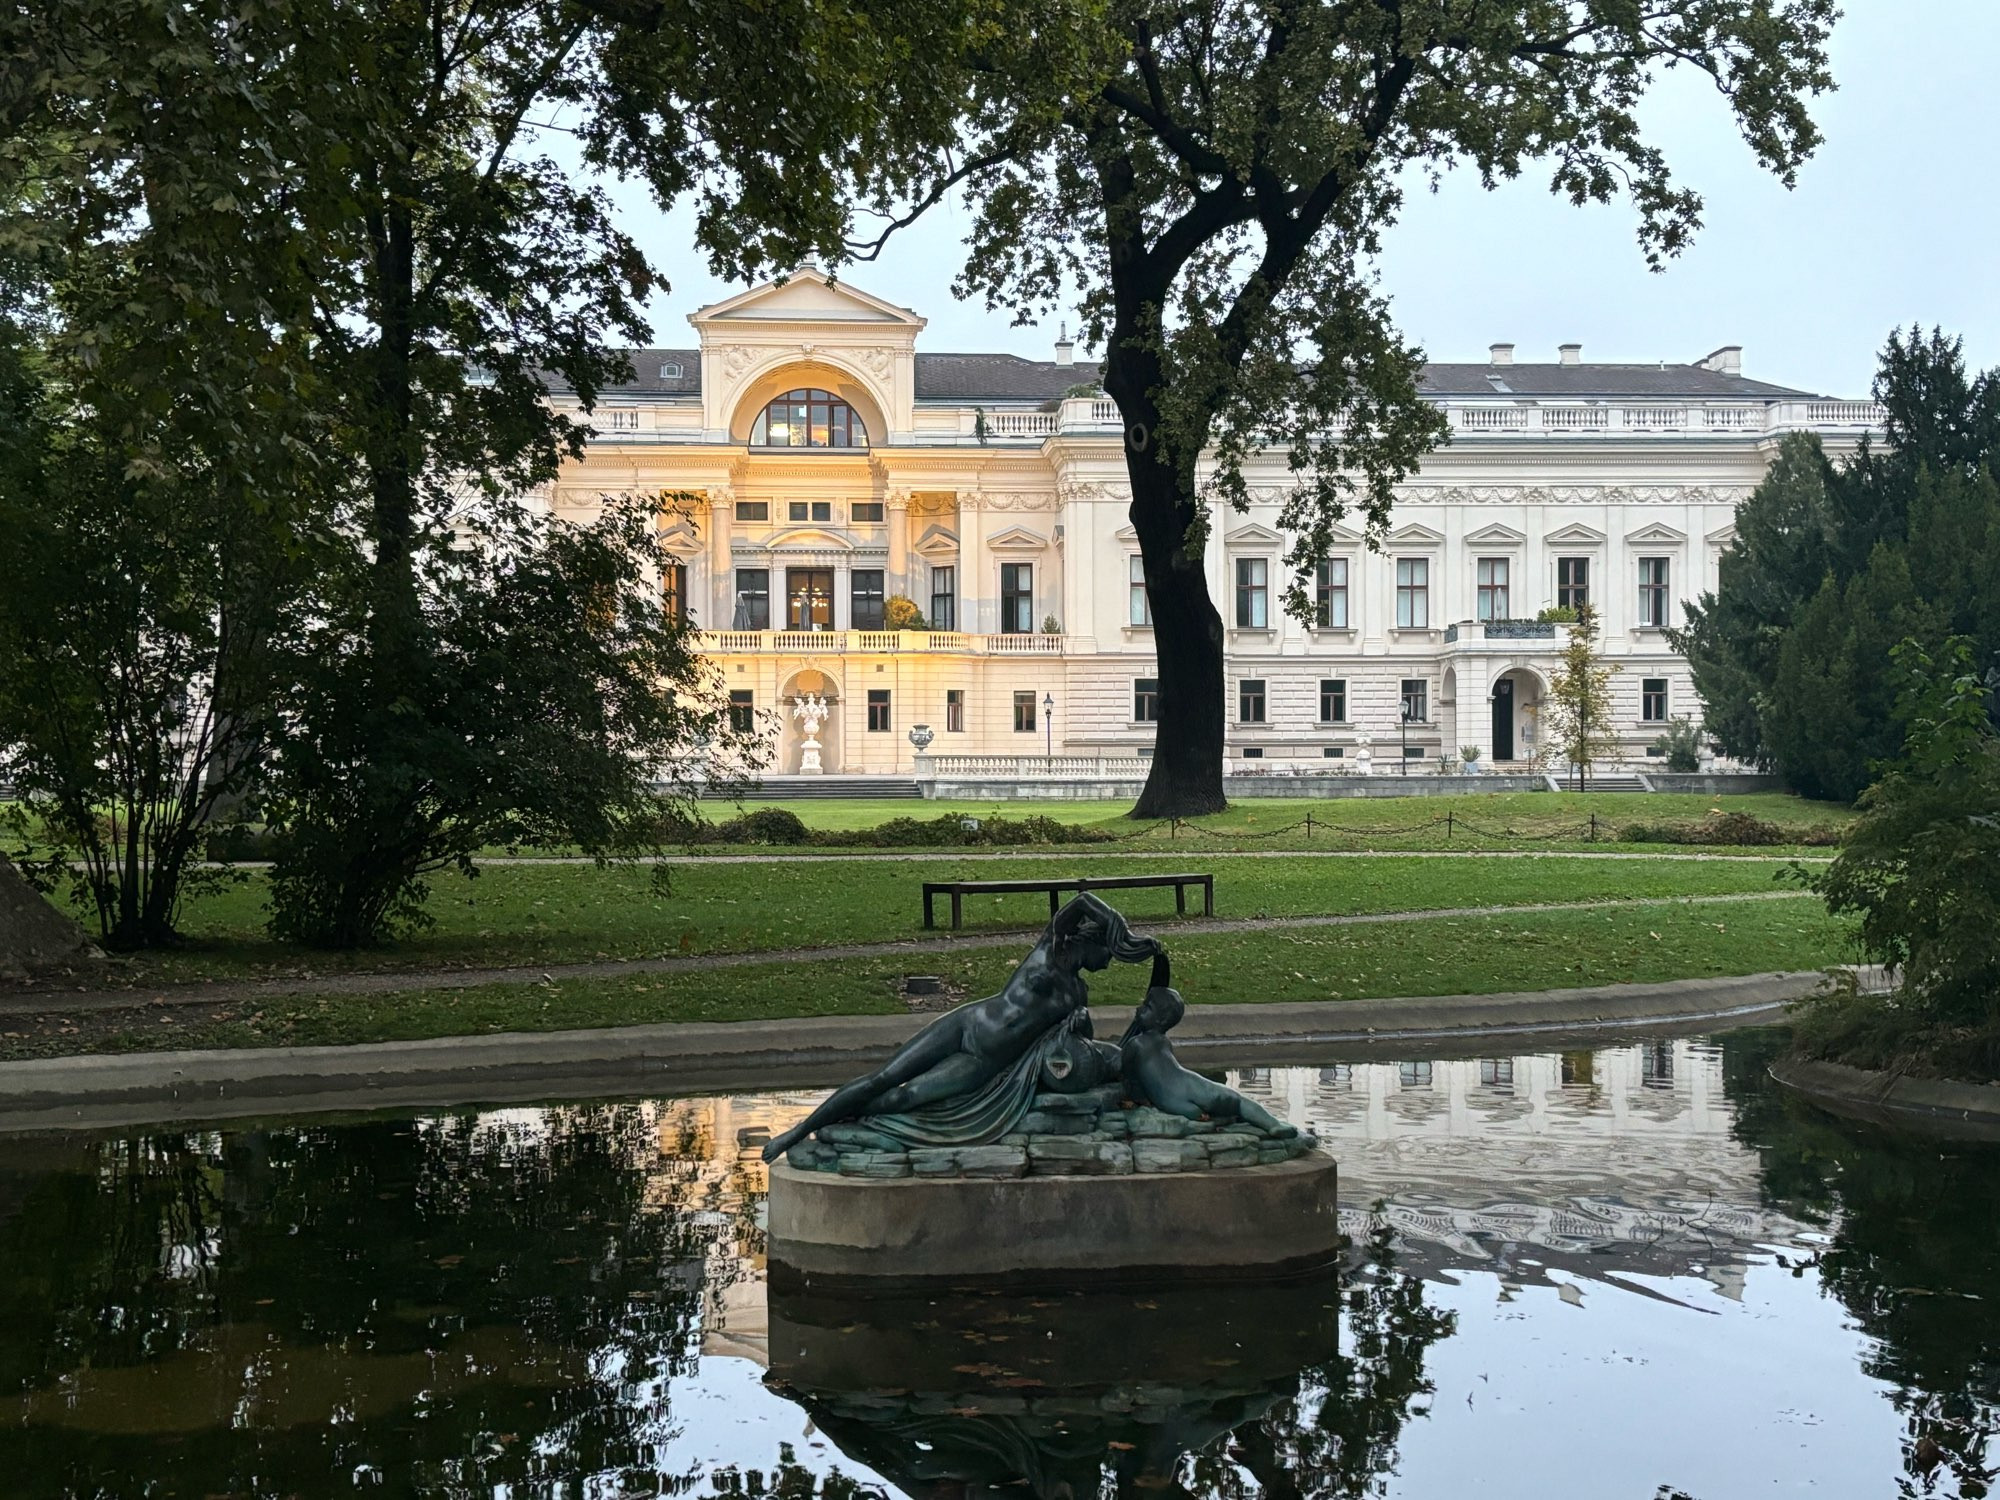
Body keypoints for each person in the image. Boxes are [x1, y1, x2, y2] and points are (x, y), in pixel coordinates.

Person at [761, 892, 1161, 1162]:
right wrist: (1123, 930)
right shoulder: (1050, 949)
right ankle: (795, 1133)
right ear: (1092, 943)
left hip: (981, 1064)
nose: (1109, 964)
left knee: (904, 1098)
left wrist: (1080, 1023)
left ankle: (847, 1120)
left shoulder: (1078, 993)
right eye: (1109, 954)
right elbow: (1081, 902)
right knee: (884, 1076)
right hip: (967, 1022)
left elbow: (1072, 1050)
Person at [1119, 956, 1296, 1136]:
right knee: (1237, 1100)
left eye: (1146, 1007)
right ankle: (1272, 1124)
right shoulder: (1164, 1043)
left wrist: (1138, 1099)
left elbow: (1126, 1073)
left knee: (1229, 1102)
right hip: (1187, 1084)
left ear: (1161, 1019)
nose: (1139, 1009)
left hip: (1173, 1098)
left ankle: (1271, 1125)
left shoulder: (1136, 1044)